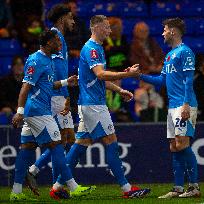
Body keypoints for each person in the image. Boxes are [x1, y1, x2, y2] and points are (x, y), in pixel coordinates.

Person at [52, 15, 151, 199]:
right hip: (94, 106)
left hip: (90, 104)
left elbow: (97, 79)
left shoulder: (95, 48)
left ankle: (57, 186)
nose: (109, 31)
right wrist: (128, 75)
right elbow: (101, 75)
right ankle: (127, 188)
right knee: (111, 142)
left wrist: (120, 89)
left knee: (80, 145)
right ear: (96, 27)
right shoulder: (92, 49)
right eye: (106, 27)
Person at [10, 30, 93, 201]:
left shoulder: (48, 60)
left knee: (26, 150)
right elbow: (25, 86)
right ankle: (73, 186)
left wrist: (65, 82)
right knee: (57, 145)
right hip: (37, 111)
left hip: (37, 110)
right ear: (48, 43)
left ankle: (16, 193)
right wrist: (19, 112)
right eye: (57, 41)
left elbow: (47, 85)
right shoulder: (36, 60)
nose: (60, 43)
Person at [127, 17, 201, 198]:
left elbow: (188, 80)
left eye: (165, 30)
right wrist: (139, 76)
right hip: (172, 106)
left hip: (185, 104)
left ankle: (194, 187)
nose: (162, 33)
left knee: (182, 143)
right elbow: (162, 80)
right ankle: (177, 188)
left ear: (173, 31)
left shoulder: (186, 52)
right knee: (174, 147)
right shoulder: (168, 56)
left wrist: (185, 104)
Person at [25, 4, 77, 196]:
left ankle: (51, 182)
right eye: (70, 18)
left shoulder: (59, 37)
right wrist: (63, 93)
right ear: (62, 18)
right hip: (56, 95)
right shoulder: (56, 38)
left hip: (58, 93)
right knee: (65, 139)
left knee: (63, 140)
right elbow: (54, 69)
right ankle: (38, 173)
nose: (73, 22)